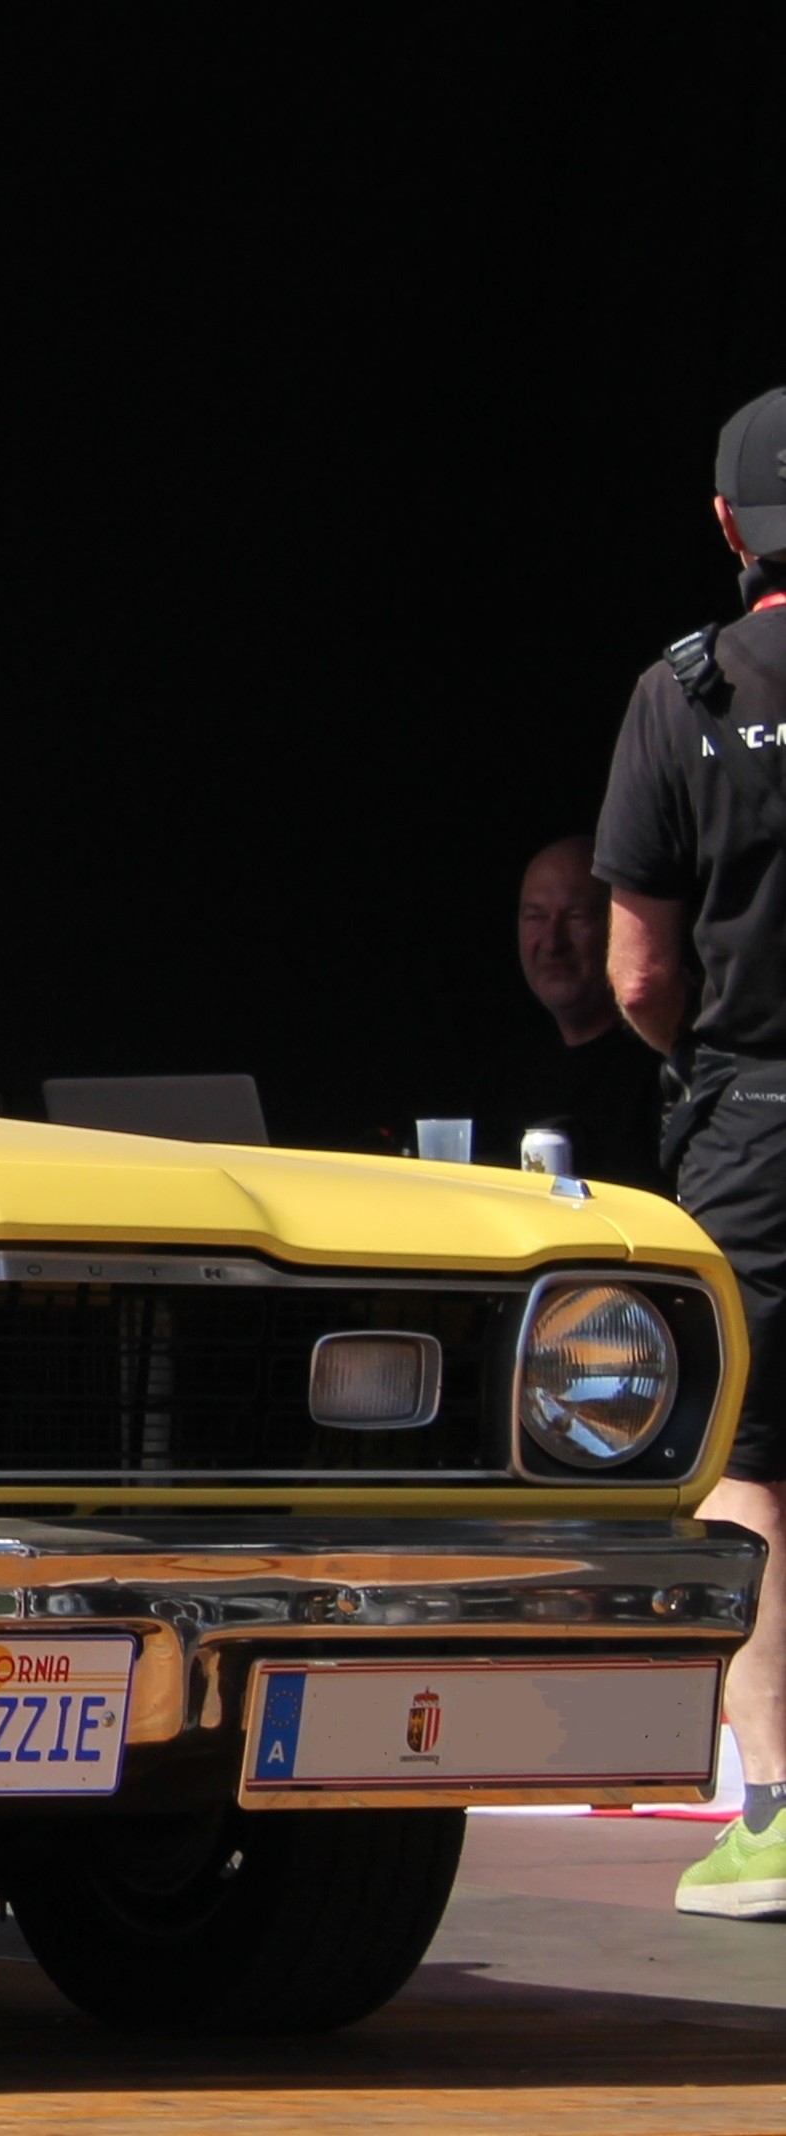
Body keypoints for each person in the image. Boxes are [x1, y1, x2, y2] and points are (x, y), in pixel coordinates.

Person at [597, 385, 786, 1921]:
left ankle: (775, 1813)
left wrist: (716, 1078)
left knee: (745, 1460)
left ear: (726, 526)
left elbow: (638, 974)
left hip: (758, 1118)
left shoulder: (685, 690)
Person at [492, 835, 668, 1192]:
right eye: (536, 916)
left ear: (617, 928)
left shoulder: (664, 1073)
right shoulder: (505, 1077)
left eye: (576, 917)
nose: (553, 941)